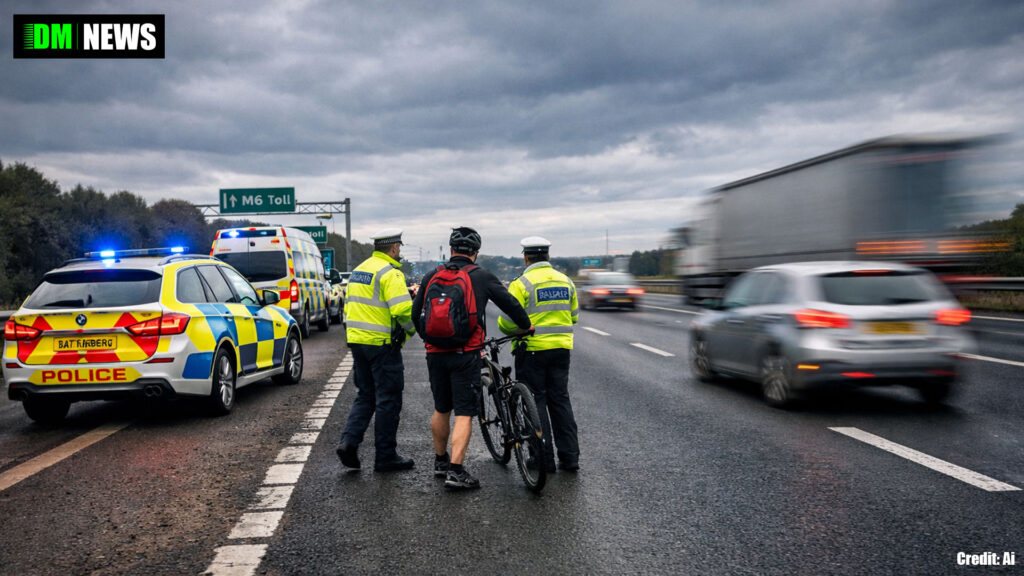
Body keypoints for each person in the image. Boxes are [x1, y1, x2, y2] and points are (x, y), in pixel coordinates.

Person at [412, 226, 532, 490]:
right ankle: (456, 471)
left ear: (451, 249)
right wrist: (526, 325)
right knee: (465, 412)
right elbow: (511, 305)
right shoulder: (482, 276)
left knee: (441, 408)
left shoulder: (432, 275)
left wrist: (430, 340)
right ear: (475, 252)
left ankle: (440, 461)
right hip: (465, 354)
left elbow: (415, 313)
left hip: (435, 353)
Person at [336, 228, 417, 472]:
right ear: (393, 248)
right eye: (399, 248)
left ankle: (349, 442)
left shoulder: (359, 271)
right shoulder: (390, 273)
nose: (399, 252)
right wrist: (413, 330)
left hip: (357, 342)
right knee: (388, 399)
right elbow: (403, 310)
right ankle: (385, 456)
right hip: (382, 345)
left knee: (366, 395)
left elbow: (350, 306)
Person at [497, 236, 580, 472]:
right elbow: (574, 316)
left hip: (532, 351)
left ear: (526, 257)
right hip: (561, 349)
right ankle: (570, 457)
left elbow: (506, 323)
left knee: (535, 403)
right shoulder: (566, 281)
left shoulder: (521, 284)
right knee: (560, 400)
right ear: (548, 256)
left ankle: (543, 459)